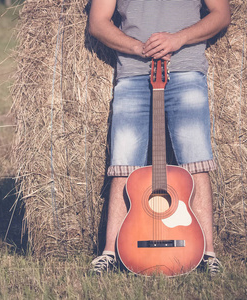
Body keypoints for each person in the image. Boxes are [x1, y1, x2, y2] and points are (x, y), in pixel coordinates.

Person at [88, 0, 231, 276]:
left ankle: (207, 254)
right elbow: (97, 22)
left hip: (186, 69)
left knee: (197, 159)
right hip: (132, 74)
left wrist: (178, 39)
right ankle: (110, 253)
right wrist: (139, 47)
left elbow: (221, 14)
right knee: (123, 163)